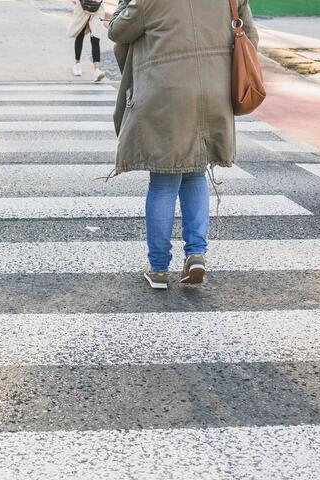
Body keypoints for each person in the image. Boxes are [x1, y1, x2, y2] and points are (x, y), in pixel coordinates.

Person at [108, 0, 259, 290]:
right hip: (213, 91)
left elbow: (119, 30)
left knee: (164, 182)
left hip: (167, 93)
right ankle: (196, 253)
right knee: (195, 172)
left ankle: (160, 268)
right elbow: (249, 37)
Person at [67, 0, 106, 82]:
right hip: (82, 7)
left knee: (95, 38)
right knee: (80, 34)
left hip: (98, 7)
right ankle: (77, 64)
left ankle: (96, 70)